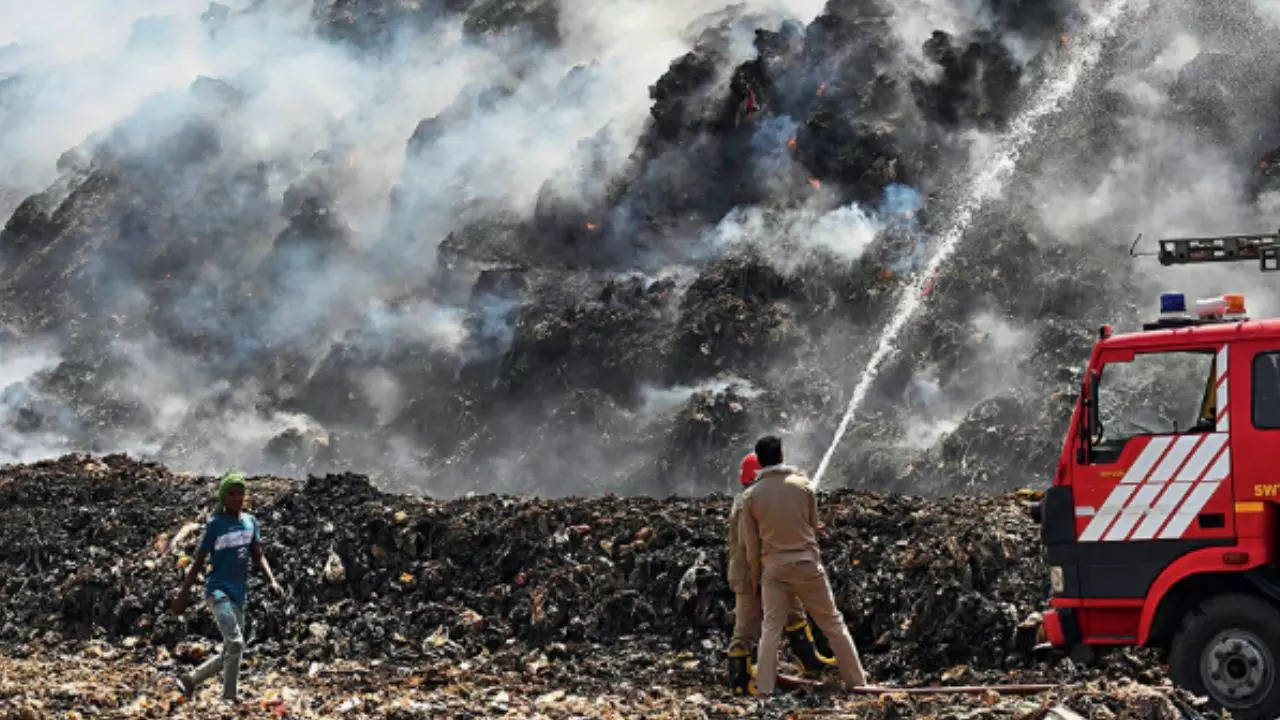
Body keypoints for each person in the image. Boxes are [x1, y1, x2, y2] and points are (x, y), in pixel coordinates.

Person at [740, 436, 869, 695]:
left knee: (771, 630)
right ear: (782, 455)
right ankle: (856, 681)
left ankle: (764, 688)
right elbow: (812, 526)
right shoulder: (804, 486)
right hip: (806, 566)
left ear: (759, 461)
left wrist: (755, 578)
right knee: (832, 623)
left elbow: (751, 546)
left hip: (774, 570)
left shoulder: (750, 496)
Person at [726, 453, 835, 693]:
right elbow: (753, 543)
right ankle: (741, 683)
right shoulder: (750, 502)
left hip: (765, 569)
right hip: (751, 571)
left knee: (793, 612)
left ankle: (810, 661)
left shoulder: (750, 498)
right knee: (744, 627)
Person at [171, 471, 283, 704]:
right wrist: (183, 593)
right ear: (223, 498)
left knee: (232, 650)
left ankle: (191, 679)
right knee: (235, 643)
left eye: (240, 493)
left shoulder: (250, 522)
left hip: (238, 593)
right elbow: (199, 560)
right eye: (231, 494)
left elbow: (258, 555)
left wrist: (271, 580)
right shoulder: (215, 525)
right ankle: (228, 698)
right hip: (217, 591)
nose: (237, 498)